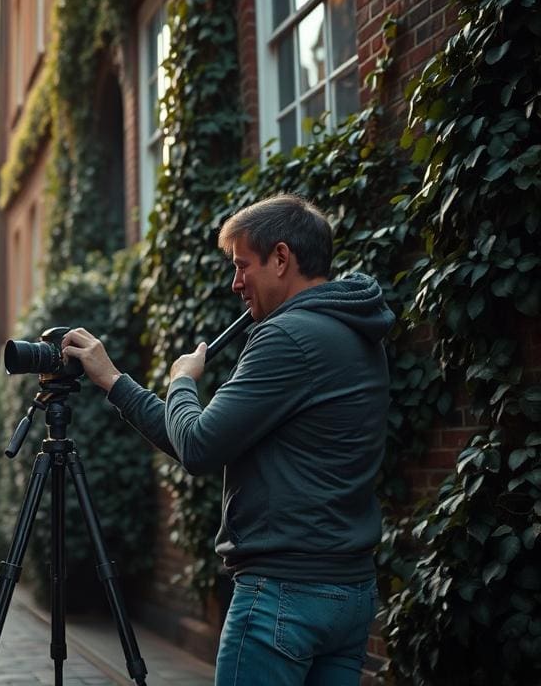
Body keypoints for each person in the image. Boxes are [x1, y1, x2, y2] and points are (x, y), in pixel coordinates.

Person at [61, 193, 394, 686]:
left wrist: (181, 380)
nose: (236, 283)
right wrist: (113, 380)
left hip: (283, 595)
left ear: (281, 258)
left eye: (242, 266)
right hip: (349, 594)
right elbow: (199, 439)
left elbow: (197, 447)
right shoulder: (357, 332)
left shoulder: (286, 337)